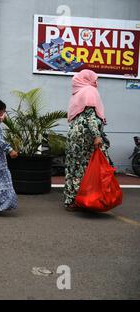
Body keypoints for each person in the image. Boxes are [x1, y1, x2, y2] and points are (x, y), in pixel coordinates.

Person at [64, 69, 110, 211]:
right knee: (86, 168)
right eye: (95, 78)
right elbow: (90, 116)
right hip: (86, 137)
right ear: (88, 79)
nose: (96, 81)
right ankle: (85, 200)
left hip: (74, 135)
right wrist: (97, 135)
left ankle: (71, 201)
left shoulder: (77, 92)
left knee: (73, 166)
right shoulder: (90, 90)